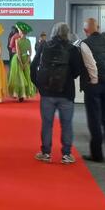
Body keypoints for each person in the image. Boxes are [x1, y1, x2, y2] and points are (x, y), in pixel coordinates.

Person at [31, 22, 81, 164]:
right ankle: (66, 154)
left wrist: (38, 84)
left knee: (47, 124)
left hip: (47, 93)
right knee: (67, 124)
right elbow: (77, 71)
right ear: (67, 33)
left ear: (53, 32)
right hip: (66, 93)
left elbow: (34, 65)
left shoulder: (44, 46)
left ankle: (46, 153)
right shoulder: (72, 49)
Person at [80, 18, 105, 163]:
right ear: (98, 27)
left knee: (94, 120)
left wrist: (94, 81)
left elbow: (91, 65)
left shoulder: (85, 43)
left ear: (86, 30)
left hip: (94, 86)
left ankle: (97, 154)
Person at [8, 22, 37, 102]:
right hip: (26, 58)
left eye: (20, 31)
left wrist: (21, 63)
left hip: (18, 60)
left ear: (21, 32)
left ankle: (19, 94)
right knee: (26, 76)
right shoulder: (28, 41)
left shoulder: (17, 40)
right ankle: (23, 94)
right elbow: (30, 53)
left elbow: (18, 53)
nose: (19, 32)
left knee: (18, 76)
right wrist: (26, 62)